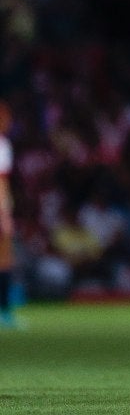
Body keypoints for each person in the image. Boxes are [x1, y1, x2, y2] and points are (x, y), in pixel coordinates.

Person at [0, 101, 16, 328]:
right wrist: (4, 214)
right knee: (4, 260)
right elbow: (1, 183)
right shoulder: (2, 145)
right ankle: (4, 312)